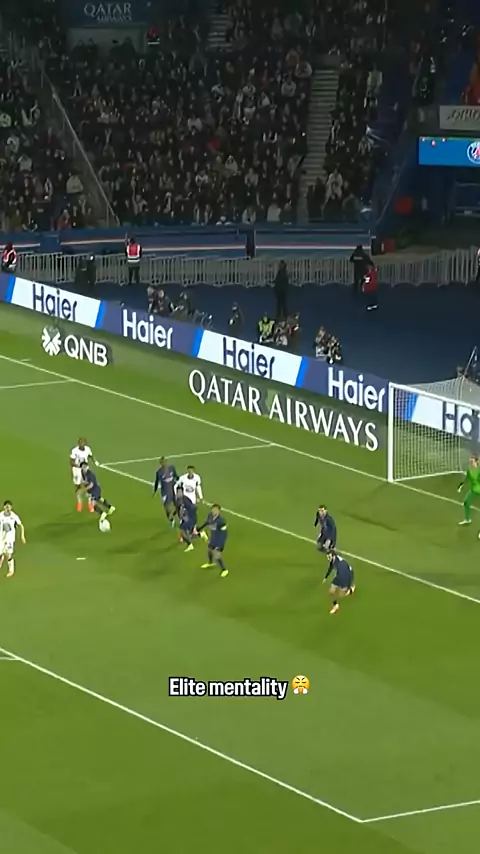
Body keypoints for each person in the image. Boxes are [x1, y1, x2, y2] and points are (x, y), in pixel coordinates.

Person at [198, 504, 228, 577]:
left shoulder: (221, 521)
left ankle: (224, 569)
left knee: (216, 555)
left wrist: (220, 545)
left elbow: (224, 534)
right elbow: (207, 522)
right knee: (209, 550)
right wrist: (200, 528)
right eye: (213, 509)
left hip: (219, 539)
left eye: (216, 510)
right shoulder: (210, 516)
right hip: (213, 537)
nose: (214, 511)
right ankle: (210, 563)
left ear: (219, 511)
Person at [70, 437, 99, 512]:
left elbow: (90, 455)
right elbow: (71, 461)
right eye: (80, 443)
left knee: (87, 486)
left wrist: (95, 461)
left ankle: (90, 504)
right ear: (78, 443)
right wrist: (77, 465)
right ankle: (80, 503)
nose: (81, 444)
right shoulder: (74, 451)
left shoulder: (88, 449)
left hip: (85, 470)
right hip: (76, 470)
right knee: (78, 486)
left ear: (85, 443)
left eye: (83, 443)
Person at [323, 550, 355, 615]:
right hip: (338, 576)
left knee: (341, 594)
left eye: (329, 557)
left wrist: (349, 586)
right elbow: (331, 566)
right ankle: (336, 606)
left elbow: (349, 573)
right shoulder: (334, 560)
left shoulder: (341, 565)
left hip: (345, 577)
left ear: (333, 556)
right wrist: (326, 577)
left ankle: (350, 590)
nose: (328, 558)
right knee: (331, 592)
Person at [0, 500, 26, 578]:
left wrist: (22, 536)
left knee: (9, 554)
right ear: (4, 507)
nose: (8, 508)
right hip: (1, 538)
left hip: (10, 539)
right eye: (6, 507)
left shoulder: (14, 516)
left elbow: (21, 525)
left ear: (11, 507)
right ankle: (2, 557)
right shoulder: (0, 515)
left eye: (9, 507)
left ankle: (11, 570)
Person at [153, 457, 178, 527]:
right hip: (165, 492)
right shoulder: (159, 472)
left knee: (178, 506)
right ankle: (171, 519)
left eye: (165, 461)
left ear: (166, 462)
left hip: (173, 490)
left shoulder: (172, 468)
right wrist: (155, 491)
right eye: (162, 462)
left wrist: (181, 483)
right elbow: (157, 482)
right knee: (167, 508)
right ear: (160, 463)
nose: (164, 463)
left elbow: (176, 476)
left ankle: (175, 516)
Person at [458, 455, 480, 525]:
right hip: (473, 490)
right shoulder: (469, 470)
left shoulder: (479, 471)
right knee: (466, 502)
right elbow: (467, 478)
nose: (471, 463)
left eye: (472, 461)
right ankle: (467, 519)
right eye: (470, 462)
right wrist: (461, 485)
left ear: (476, 462)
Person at [175, 486, 197, 552]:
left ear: (182, 492)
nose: (179, 493)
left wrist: (187, 516)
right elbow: (178, 509)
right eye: (177, 492)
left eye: (180, 492)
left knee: (182, 530)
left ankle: (190, 544)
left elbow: (193, 508)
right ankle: (200, 534)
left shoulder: (185, 500)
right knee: (186, 531)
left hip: (190, 518)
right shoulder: (178, 500)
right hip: (187, 518)